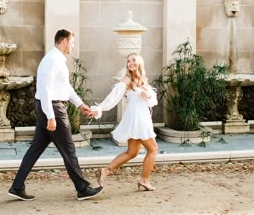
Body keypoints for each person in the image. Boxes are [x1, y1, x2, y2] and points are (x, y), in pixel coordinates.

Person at [8, 29, 104, 201]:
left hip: (50, 106)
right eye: (72, 42)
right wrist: (51, 116)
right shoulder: (52, 59)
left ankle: (17, 187)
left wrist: (80, 104)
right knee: (69, 150)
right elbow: (44, 88)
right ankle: (82, 189)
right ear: (65, 41)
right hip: (53, 108)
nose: (73, 46)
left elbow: (65, 87)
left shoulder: (57, 59)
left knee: (35, 149)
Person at [91, 53, 158, 191]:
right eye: (128, 61)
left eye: (133, 60)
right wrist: (100, 108)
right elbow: (114, 96)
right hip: (138, 119)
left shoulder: (142, 79)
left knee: (132, 153)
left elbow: (152, 101)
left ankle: (106, 170)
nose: (130, 63)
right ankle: (144, 180)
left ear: (139, 61)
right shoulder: (127, 79)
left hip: (140, 117)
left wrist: (148, 95)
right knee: (153, 149)